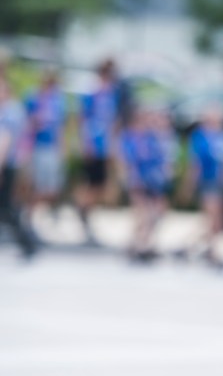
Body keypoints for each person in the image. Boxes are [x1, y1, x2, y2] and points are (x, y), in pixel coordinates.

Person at [75, 59, 123, 244]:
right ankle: (81, 208)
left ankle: (83, 209)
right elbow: (83, 119)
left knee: (99, 185)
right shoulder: (92, 92)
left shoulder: (112, 94)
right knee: (93, 183)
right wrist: (85, 144)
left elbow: (113, 122)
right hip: (93, 145)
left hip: (105, 146)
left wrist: (113, 145)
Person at [179, 103, 223, 267]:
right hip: (207, 181)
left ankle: (188, 245)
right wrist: (188, 186)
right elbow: (195, 164)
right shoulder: (200, 137)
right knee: (212, 218)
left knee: (215, 220)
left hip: (219, 182)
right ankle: (213, 252)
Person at [119, 106, 174, 262]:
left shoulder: (153, 137)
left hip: (154, 180)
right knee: (143, 214)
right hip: (139, 179)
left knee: (156, 213)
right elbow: (129, 160)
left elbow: (161, 159)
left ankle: (142, 242)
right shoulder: (131, 136)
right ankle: (138, 244)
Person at [0, 78, 37, 259]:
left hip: (6, 165)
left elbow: (5, 141)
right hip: (8, 164)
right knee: (7, 207)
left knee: (7, 207)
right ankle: (27, 243)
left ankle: (28, 242)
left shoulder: (10, 112)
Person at [24, 68, 68, 217]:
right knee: (36, 184)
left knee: (52, 188)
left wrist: (62, 148)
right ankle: (28, 214)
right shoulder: (33, 98)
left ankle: (31, 210)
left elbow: (60, 127)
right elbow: (27, 124)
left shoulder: (58, 101)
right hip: (37, 147)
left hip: (52, 148)